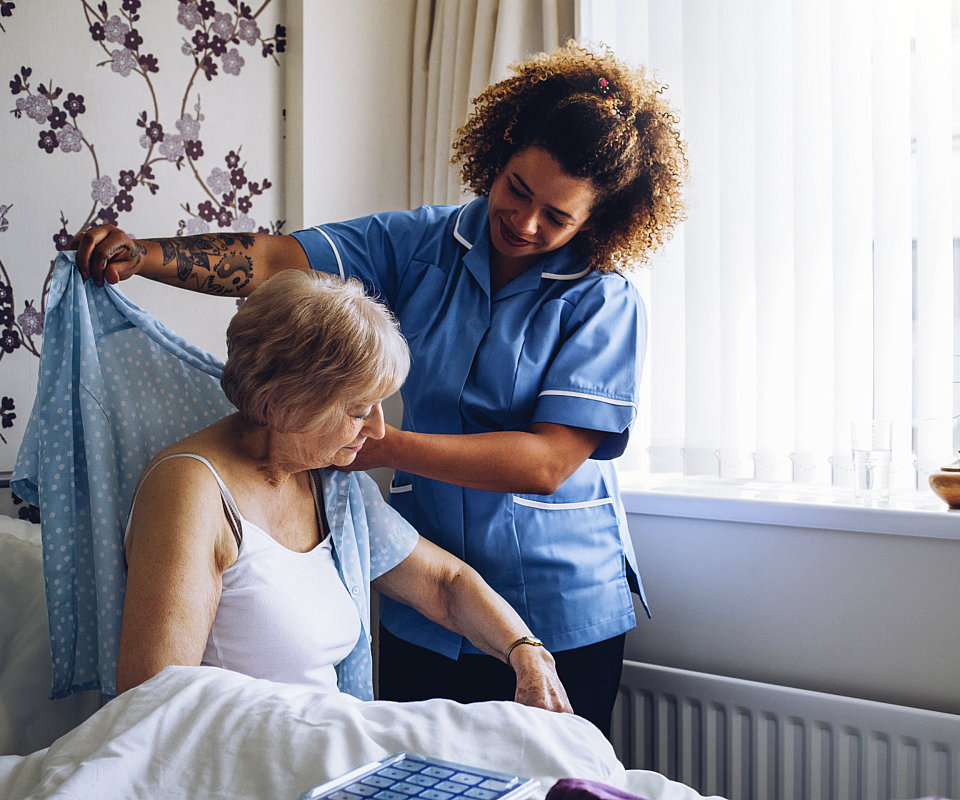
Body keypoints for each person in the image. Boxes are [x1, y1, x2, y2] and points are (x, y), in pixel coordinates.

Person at [79, 41, 687, 735]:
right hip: (424, 603)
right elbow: (278, 259)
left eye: (557, 216)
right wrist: (144, 256)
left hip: (558, 602)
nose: (524, 222)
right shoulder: (420, 243)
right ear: (500, 155)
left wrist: (373, 441)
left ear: (598, 220)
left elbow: (547, 463)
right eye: (518, 190)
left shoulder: (603, 301)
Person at [115, 267, 571, 714]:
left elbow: (444, 583)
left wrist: (527, 651)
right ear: (283, 401)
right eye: (357, 410)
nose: (377, 428)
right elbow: (153, 703)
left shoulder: (329, 483)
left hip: (322, 746)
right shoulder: (192, 491)